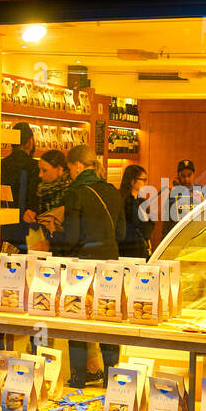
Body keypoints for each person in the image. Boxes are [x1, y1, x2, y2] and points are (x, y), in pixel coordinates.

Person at [59, 145, 126, 386]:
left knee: (77, 318)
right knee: (107, 317)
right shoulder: (112, 190)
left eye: (69, 169)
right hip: (110, 261)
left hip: (83, 264)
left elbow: (72, 236)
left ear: (77, 165)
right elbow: (121, 232)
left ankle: (79, 377)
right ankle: (112, 377)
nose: (70, 174)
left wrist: (55, 238)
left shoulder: (75, 192)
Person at [0, 121, 38, 252]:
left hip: (4, 225)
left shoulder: (1, 164)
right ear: (30, 142)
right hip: (28, 227)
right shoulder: (35, 167)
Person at [24, 149, 71, 252]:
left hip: (61, 251)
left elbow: (73, 233)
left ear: (59, 169)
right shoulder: (40, 190)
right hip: (40, 247)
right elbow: (35, 214)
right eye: (39, 170)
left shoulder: (71, 192)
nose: (40, 175)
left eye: (44, 170)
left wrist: (53, 240)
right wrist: (29, 215)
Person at [118, 164, 154, 259]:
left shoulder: (141, 201)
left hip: (142, 248)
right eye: (143, 180)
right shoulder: (122, 201)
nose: (145, 183)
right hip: (127, 251)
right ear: (132, 181)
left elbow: (148, 225)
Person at [162, 158, 206, 235]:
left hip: (197, 237)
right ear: (178, 176)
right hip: (178, 238)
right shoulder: (173, 194)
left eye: (189, 175)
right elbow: (167, 223)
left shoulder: (203, 191)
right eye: (183, 176)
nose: (186, 179)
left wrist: (203, 203)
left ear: (194, 174)